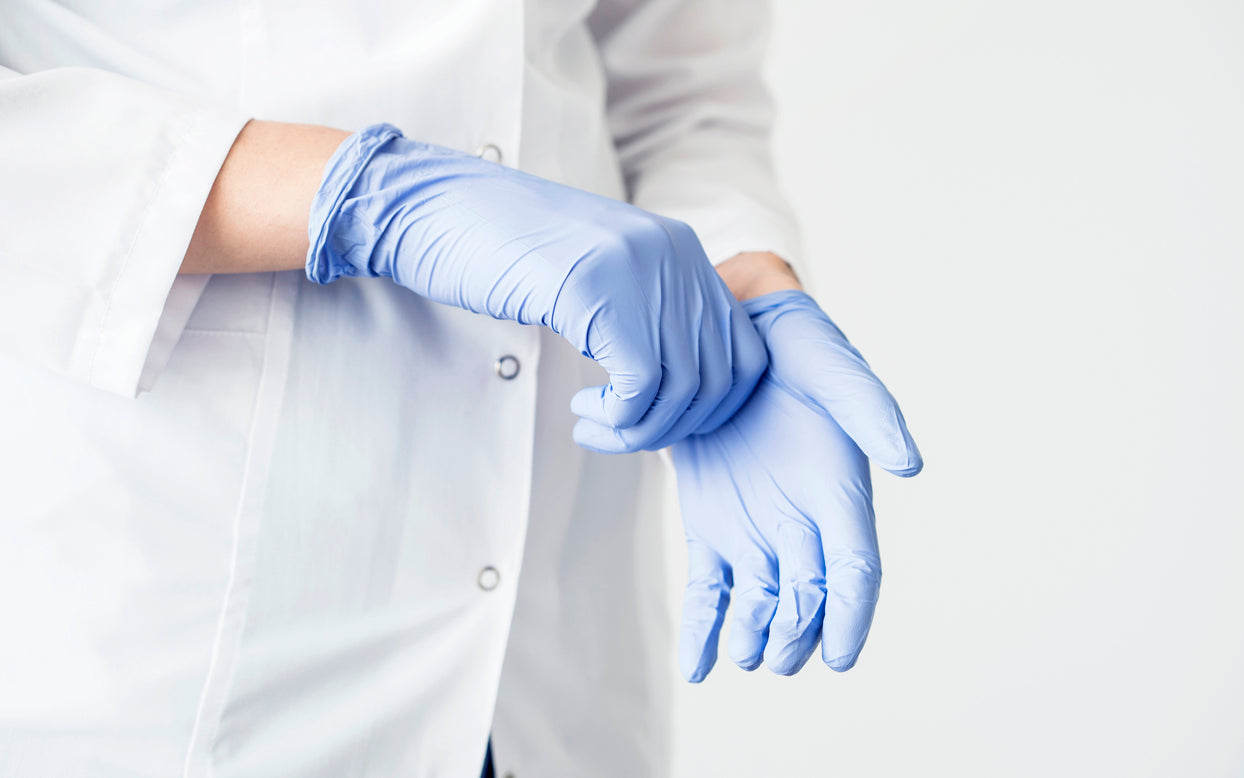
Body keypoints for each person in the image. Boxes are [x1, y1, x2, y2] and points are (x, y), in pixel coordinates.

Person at [0, 1, 921, 776]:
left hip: (547, 662)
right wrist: (358, 196)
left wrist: (738, 290)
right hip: (164, 633)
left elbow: (680, 98)